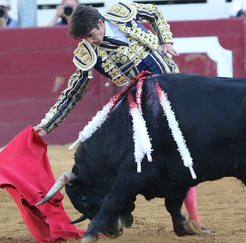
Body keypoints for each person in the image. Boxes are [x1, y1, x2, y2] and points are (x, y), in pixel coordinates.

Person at [33, 1, 208, 233]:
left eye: (92, 34)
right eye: (84, 38)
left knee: (187, 152)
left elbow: (154, 13)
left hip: (174, 86)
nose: (90, 41)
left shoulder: (122, 13)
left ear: (100, 22)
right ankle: (125, 209)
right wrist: (47, 125)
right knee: (142, 158)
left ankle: (192, 217)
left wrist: (166, 41)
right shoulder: (89, 52)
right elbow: (73, 92)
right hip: (144, 106)